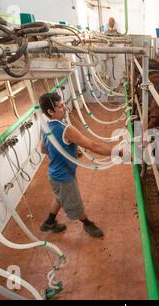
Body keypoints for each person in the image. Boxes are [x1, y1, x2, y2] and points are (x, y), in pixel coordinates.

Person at [38, 92, 113, 238]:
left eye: (63, 104)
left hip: (53, 174)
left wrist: (68, 150)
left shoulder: (46, 126)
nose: (65, 108)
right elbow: (93, 146)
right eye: (60, 106)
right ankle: (87, 224)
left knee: (60, 197)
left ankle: (49, 222)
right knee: (75, 204)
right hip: (64, 176)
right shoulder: (67, 129)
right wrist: (117, 153)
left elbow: (43, 148)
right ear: (50, 111)